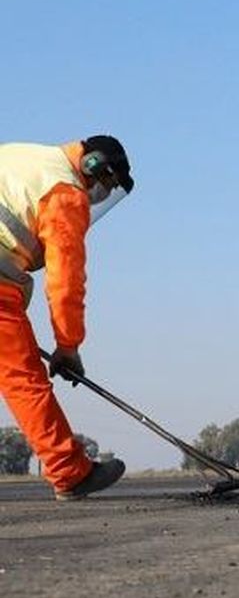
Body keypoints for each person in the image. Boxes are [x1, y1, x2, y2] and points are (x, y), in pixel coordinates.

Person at [0, 136, 134, 500]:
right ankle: (69, 472)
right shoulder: (65, 193)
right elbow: (65, 283)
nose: (98, 198)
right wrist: (67, 346)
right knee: (24, 382)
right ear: (92, 166)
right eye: (105, 187)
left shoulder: (23, 156)